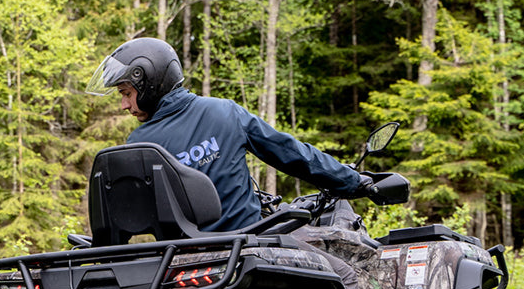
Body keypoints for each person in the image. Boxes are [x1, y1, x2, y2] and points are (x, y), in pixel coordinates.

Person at [86, 36, 372, 232]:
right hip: (247, 246)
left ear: (148, 82)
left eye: (126, 93)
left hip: (178, 263)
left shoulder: (137, 145)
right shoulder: (224, 113)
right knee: (345, 275)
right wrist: (353, 181)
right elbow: (293, 155)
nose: (124, 104)